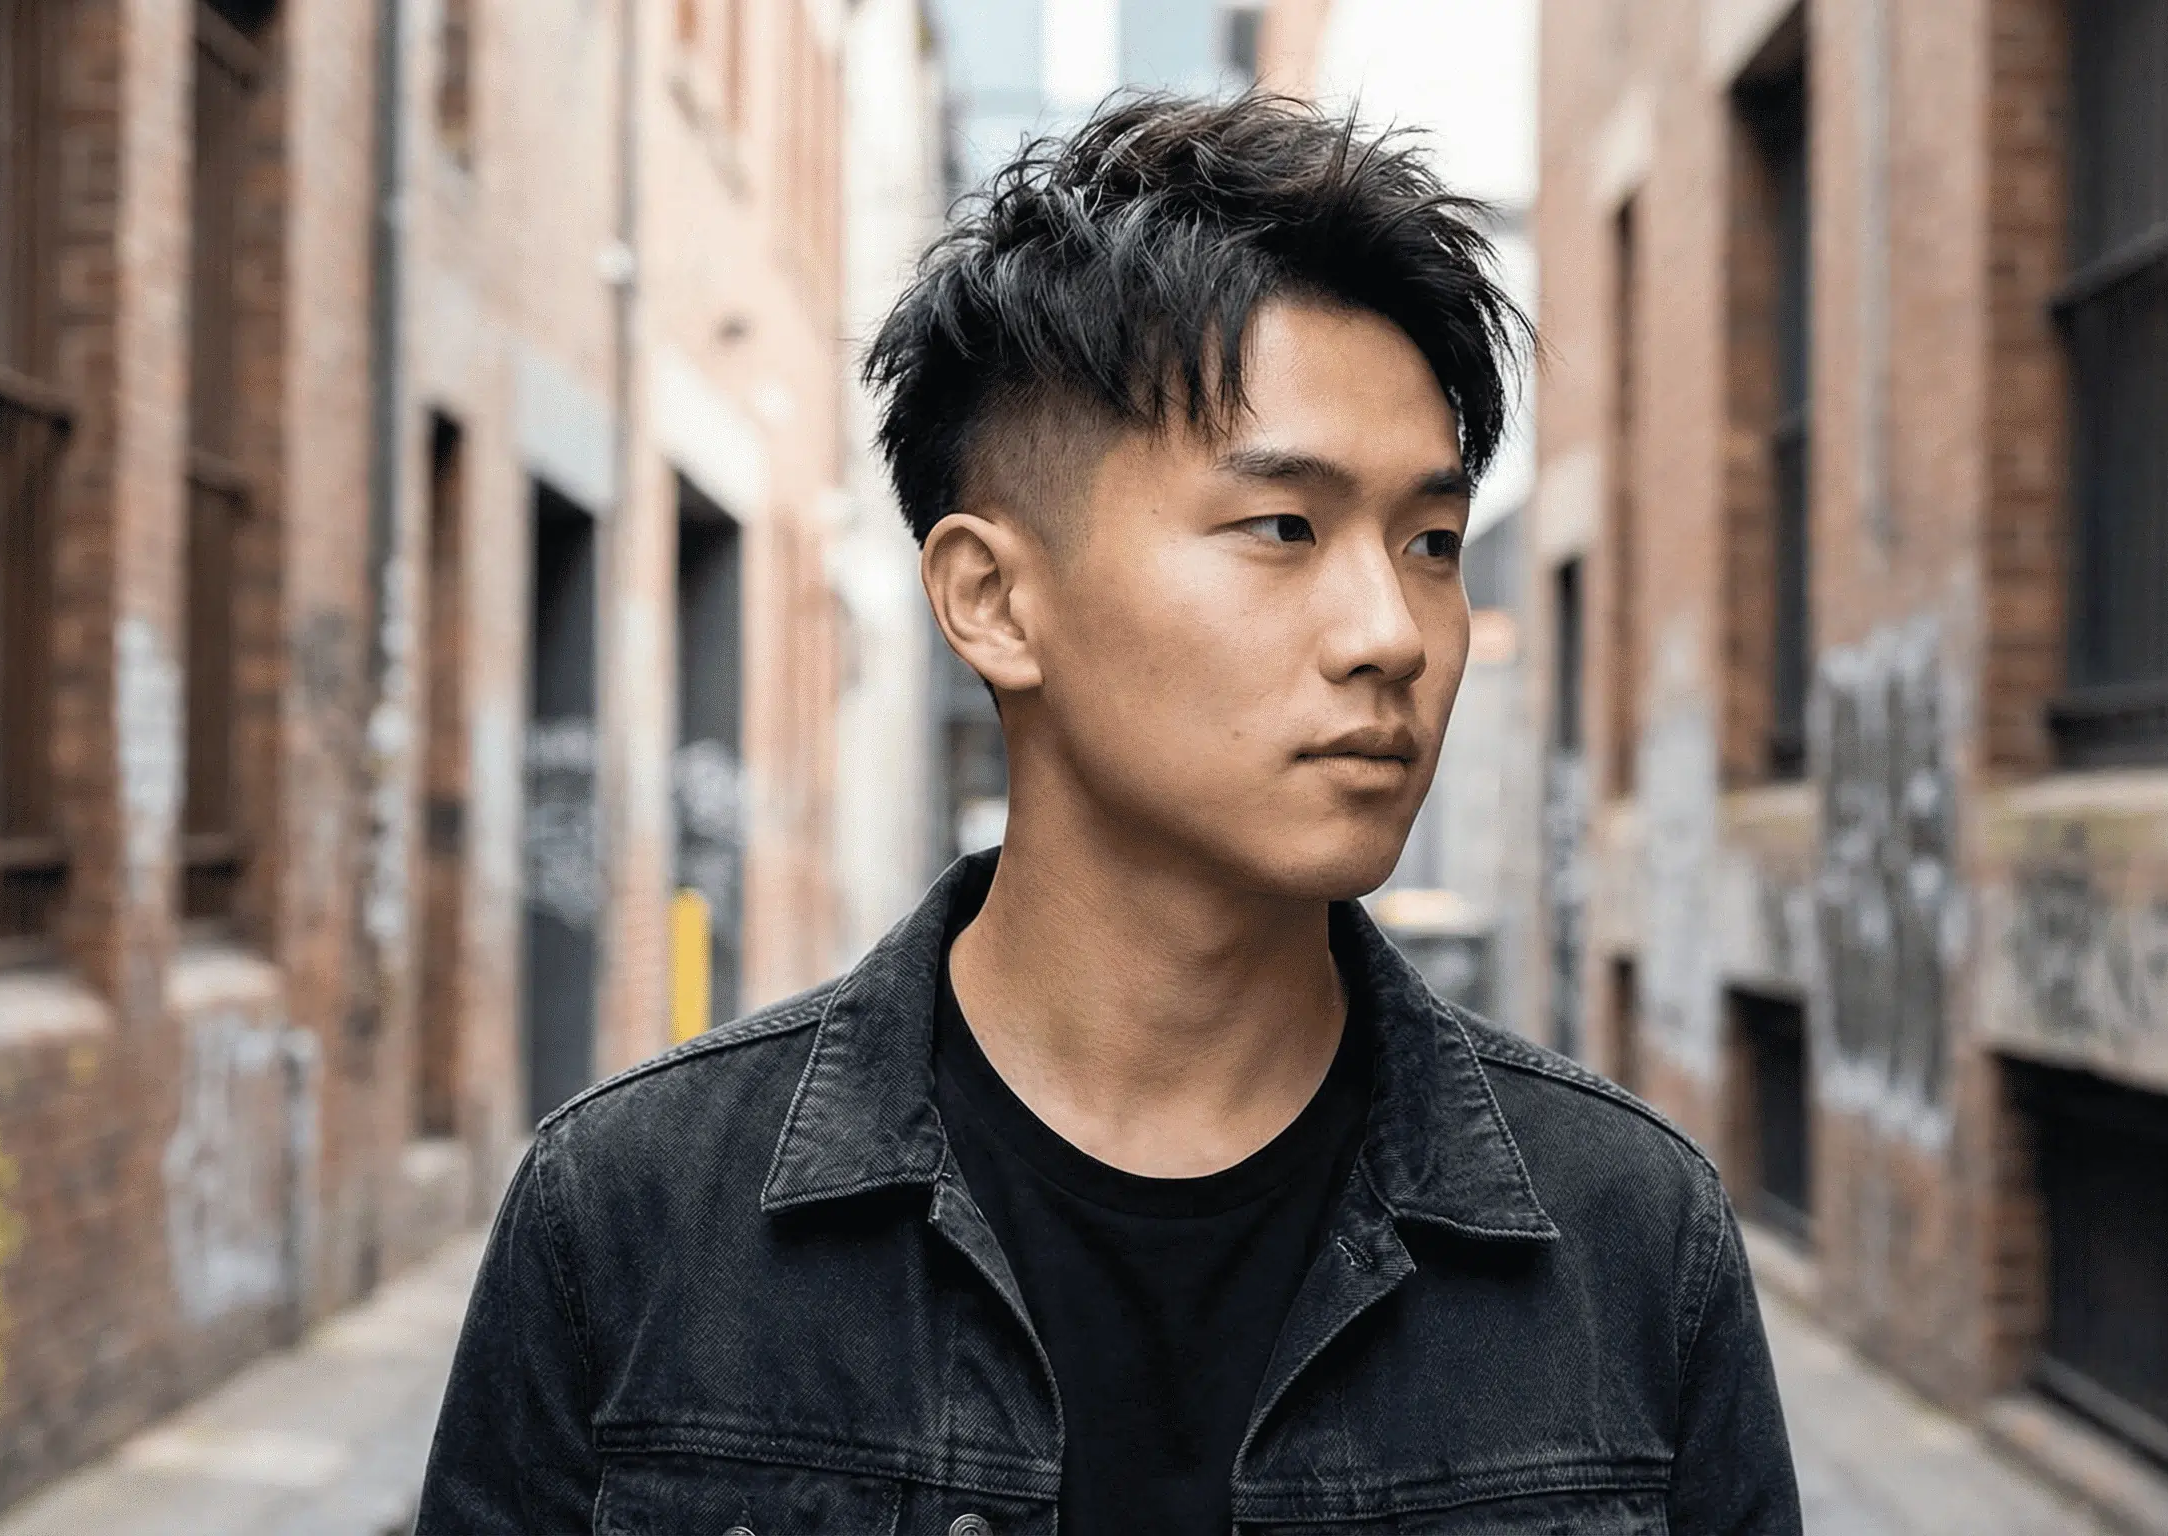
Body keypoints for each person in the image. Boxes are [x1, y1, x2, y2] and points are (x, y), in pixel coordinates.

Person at [417, 91, 1801, 1535]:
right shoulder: (633, 1222)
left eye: (1432, 541)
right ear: (994, 599)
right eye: (1284, 527)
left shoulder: (1633, 1239)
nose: (1393, 631)